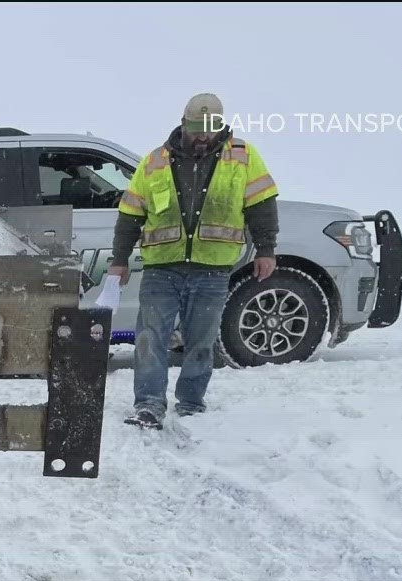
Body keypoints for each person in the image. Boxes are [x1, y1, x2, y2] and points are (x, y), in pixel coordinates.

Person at [108, 93, 279, 429]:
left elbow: (262, 207)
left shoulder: (243, 157)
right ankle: (149, 404)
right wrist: (119, 260)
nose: (202, 136)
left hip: (212, 269)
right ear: (183, 123)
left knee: (201, 341)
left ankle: (191, 404)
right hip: (161, 267)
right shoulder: (155, 161)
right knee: (150, 337)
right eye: (196, 128)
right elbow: (130, 215)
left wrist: (266, 250)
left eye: (209, 129)